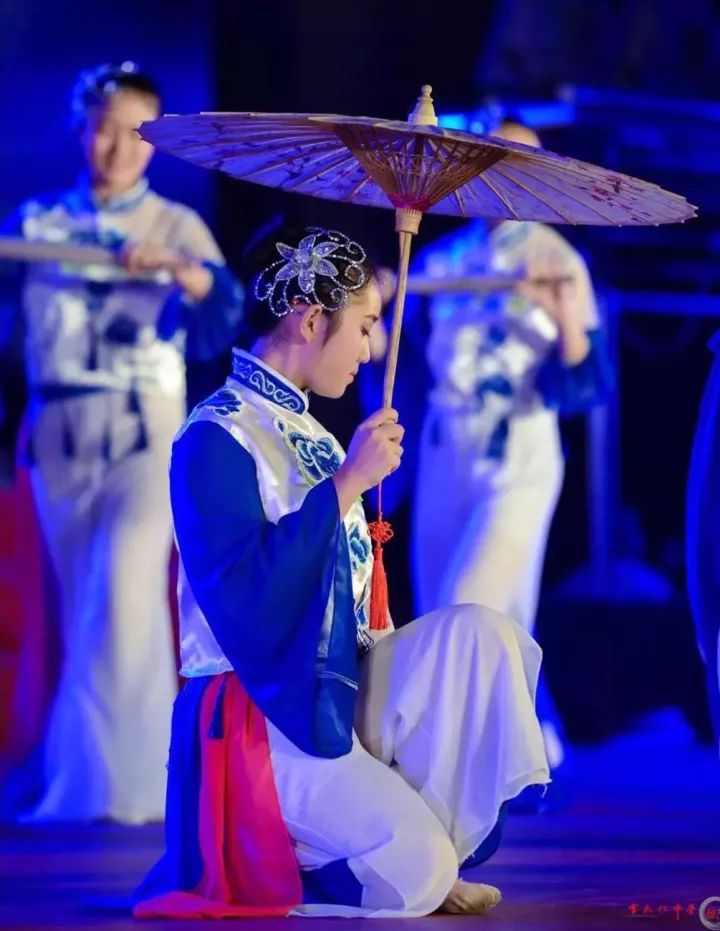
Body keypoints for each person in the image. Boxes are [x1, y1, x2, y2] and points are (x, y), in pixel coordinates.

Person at [132, 222, 549, 919]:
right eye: (364, 325)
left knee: (481, 635)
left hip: (333, 688)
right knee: (420, 870)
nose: (371, 347)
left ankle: (387, 839)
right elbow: (242, 599)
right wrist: (347, 484)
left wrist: (354, 477)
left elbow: (359, 601)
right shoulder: (214, 435)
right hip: (261, 711)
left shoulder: (318, 436)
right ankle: (299, 856)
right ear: (310, 319)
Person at [0, 62, 243, 823]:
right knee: (83, 605)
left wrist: (181, 273)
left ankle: (123, 789)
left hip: (145, 430)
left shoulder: (174, 223)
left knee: (126, 592)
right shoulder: (38, 221)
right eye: (104, 130)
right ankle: (106, 781)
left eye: (137, 134)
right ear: (81, 130)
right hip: (60, 434)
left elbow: (224, 313)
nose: (117, 148)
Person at [411, 121, 613, 770]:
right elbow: (403, 356)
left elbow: (587, 379)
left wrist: (560, 315)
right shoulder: (441, 259)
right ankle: (521, 749)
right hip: (446, 446)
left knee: (469, 599)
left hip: (519, 448)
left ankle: (453, 762)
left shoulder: (558, 259)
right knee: (446, 605)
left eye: (522, 163)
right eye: (493, 160)